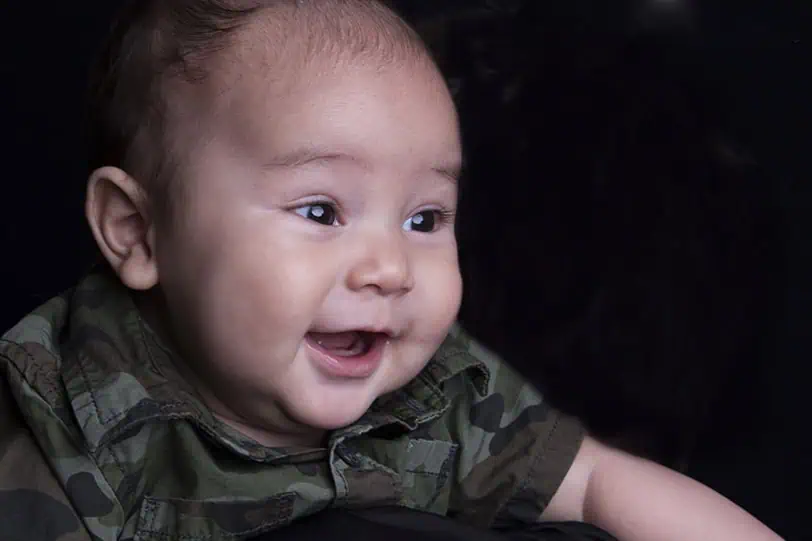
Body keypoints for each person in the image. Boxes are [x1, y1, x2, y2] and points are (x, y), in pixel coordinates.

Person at [0, 1, 781, 540]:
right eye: (320, 212)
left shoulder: (442, 393)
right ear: (139, 233)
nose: (389, 266)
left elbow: (602, 482)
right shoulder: (66, 429)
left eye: (424, 219)